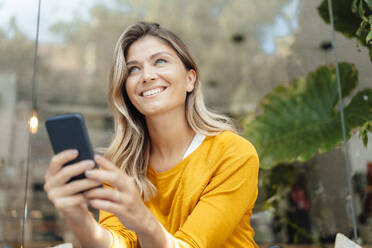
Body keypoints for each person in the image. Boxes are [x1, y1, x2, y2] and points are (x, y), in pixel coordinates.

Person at [44, 21, 259, 248]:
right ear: (126, 89)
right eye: (133, 69)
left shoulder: (233, 154)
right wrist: (80, 220)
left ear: (190, 79)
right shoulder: (118, 165)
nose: (146, 76)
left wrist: (142, 220)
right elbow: (119, 244)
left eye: (160, 61)